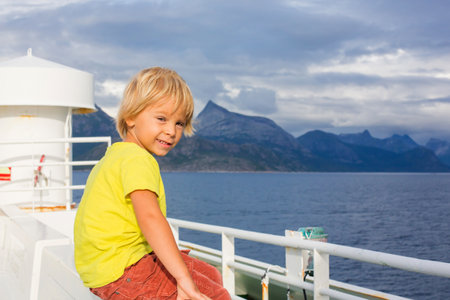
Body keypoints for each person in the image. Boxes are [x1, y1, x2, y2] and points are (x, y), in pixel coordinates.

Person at [74, 67, 231, 300]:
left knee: (209, 274)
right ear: (130, 117)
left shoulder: (116, 154)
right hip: (122, 270)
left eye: (179, 123)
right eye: (161, 119)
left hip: (105, 265)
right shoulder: (137, 159)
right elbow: (150, 218)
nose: (171, 131)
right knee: (213, 294)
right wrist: (182, 279)